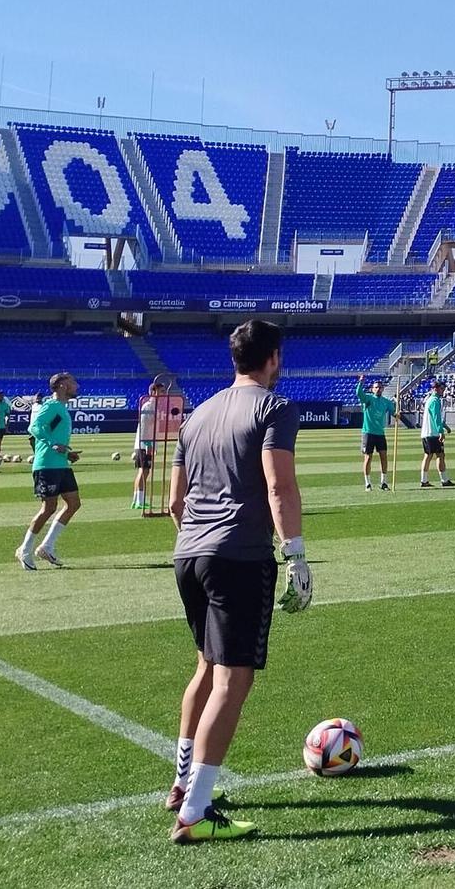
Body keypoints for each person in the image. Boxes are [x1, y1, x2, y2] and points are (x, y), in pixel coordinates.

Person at [166, 318, 310, 844]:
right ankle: (195, 814)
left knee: (205, 666)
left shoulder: (198, 414)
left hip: (189, 554)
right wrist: (295, 554)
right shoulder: (275, 407)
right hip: (240, 558)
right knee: (233, 679)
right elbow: (280, 486)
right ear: (272, 357)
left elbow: (175, 503)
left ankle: (183, 785)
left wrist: (200, 542)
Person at [17, 373, 84, 570]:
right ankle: (25, 549)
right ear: (62, 386)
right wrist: (53, 444)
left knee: (73, 503)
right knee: (49, 507)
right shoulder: (51, 406)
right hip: (47, 465)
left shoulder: (61, 408)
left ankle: (47, 546)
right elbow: (34, 427)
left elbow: (51, 433)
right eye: (73, 382)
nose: (76, 386)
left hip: (60, 464)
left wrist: (67, 453)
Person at [132, 378, 166, 511]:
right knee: (144, 472)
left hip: (146, 443)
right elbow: (144, 428)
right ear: (153, 391)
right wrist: (148, 446)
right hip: (144, 444)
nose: (164, 394)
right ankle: (139, 500)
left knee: (143, 472)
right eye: (161, 391)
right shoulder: (148, 406)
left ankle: (137, 500)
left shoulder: (154, 407)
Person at [356, 378, 395, 490]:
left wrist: (396, 414)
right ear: (372, 389)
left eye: (380, 387)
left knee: (383, 456)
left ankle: (383, 482)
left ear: (382, 389)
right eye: (376, 387)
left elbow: (393, 411)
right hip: (368, 432)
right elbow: (359, 393)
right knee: (368, 458)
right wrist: (361, 382)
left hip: (380, 433)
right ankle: (367, 483)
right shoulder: (368, 399)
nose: (378, 389)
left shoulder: (386, 402)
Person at [419, 382, 455, 488]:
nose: (443, 390)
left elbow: (437, 417)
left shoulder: (431, 400)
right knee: (432, 455)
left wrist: (446, 427)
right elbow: (436, 417)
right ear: (435, 389)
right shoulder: (434, 401)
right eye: (441, 388)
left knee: (438, 455)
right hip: (432, 433)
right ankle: (429, 480)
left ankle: (440, 479)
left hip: (428, 432)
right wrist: (441, 431)